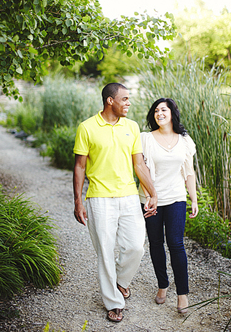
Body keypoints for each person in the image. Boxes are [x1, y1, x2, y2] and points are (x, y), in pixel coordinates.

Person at [73, 82, 158, 323]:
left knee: (135, 246)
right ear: (110, 101)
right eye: (125, 99)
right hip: (99, 198)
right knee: (106, 253)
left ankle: (120, 281)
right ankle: (114, 302)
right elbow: (79, 166)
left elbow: (139, 164)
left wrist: (153, 193)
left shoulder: (131, 127)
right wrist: (78, 201)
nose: (129, 103)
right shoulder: (87, 127)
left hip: (129, 196)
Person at [139, 98, 199, 314]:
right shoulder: (145, 138)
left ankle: (182, 294)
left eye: (163, 109)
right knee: (156, 243)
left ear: (172, 113)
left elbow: (189, 172)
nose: (159, 113)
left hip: (176, 197)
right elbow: (141, 169)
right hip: (151, 199)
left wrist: (193, 198)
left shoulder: (184, 140)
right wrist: (148, 197)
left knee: (176, 244)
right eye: (156, 110)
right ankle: (162, 285)